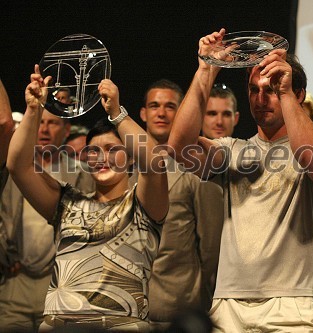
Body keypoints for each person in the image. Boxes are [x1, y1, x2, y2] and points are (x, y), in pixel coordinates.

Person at [168, 28, 313, 332]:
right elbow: (179, 148)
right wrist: (206, 69)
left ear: (298, 93)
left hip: (294, 304)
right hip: (229, 305)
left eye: (272, 88)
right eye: (253, 89)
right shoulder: (232, 149)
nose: (261, 99)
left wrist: (285, 93)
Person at [7, 66, 169, 331]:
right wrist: (34, 109)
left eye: (111, 149)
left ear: (129, 156)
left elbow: (154, 164)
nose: (101, 157)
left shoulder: (141, 207)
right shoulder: (66, 203)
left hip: (120, 325)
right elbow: (18, 165)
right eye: (93, 150)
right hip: (58, 324)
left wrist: (117, 113)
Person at [0, 88, 95, 330]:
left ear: (66, 131)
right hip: (15, 279)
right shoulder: (14, 169)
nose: (44, 129)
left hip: (60, 281)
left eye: (53, 123)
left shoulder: (82, 173)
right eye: (40, 122)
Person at [142, 79, 224, 331]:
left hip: (179, 305)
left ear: (182, 113)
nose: (161, 113)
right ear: (143, 113)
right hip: (130, 303)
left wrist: (196, 291)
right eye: (154, 105)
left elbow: (210, 245)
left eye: (170, 106)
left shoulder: (196, 169)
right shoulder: (128, 166)